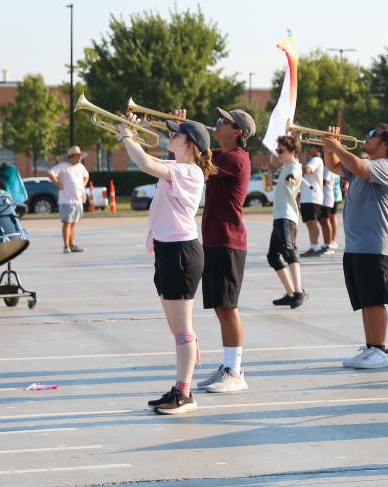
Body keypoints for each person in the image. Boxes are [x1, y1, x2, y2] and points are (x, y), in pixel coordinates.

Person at [118, 114, 214, 415]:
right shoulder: (176, 168)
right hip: (167, 251)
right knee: (178, 327)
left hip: (181, 253)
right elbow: (149, 160)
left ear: (191, 144)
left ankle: (184, 393)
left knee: (182, 328)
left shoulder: (191, 172)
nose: (169, 136)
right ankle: (179, 386)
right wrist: (131, 131)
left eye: (176, 134)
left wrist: (127, 136)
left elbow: (145, 162)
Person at [324, 124, 388, 370]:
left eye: (372, 135)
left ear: (385, 145)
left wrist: (336, 146)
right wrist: (330, 148)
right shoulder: (364, 166)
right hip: (358, 246)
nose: (365, 137)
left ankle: (380, 349)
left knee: (375, 300)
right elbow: (334, 166)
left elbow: (358, 165)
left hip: (376, 245)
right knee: (365, 300)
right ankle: (371, 347)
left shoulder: (386, 166)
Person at [195, 107, 256, 394]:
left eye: (224, 122)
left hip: (228, 242)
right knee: (221, 306)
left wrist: (183, 130)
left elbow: (199, 162)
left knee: (228, 307)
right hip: (216, 241)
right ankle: (228, 365)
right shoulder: (223, 155)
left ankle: (235, 370)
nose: (216, 124)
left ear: (238, 132)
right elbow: (194, 158)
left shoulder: (236, 159)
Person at [269, 135, 305, 308]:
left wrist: (291, 177)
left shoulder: (294, 167)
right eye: (277, 150)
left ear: (293, 152)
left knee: (288, 252)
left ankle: (298, 292)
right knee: (273, 257)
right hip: (279, 217)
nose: (278, 153)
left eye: (281, 151)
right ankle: (291, 293)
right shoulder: (286, 165)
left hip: (286, 217)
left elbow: (295, 175)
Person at [47, 146, 90, 254]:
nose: (80, 158)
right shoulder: (63, 166)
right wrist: (59, 184)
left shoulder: (80, 166)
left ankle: (72, 244)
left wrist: (83, 186)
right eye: (78, 156)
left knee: (73, 223)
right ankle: (66, 245)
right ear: (71, 156)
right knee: (67, 222)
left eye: (80, 156)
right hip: (67, 200)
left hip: (78, 199)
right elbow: (50, 173)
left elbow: (86, 176)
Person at [298, 144, 326, 257]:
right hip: (307, 197)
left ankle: (315, 247)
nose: (309, 148)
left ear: (317, 149)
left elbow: (308, 170)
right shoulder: (313, 160)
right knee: (309, 222)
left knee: (312, 223)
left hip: (312, 196)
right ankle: (313, 246)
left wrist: (295, 163)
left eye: (311, 147)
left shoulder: (317, 160)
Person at [320, 165, 337, 253]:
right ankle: (327, 243)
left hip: (326, 198)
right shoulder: (326, 167)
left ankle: (328, 244)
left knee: (325, 221)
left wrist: (314, 183)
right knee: (323, 222)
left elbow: (324, 181)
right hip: (324, 198)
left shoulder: (328, 168)